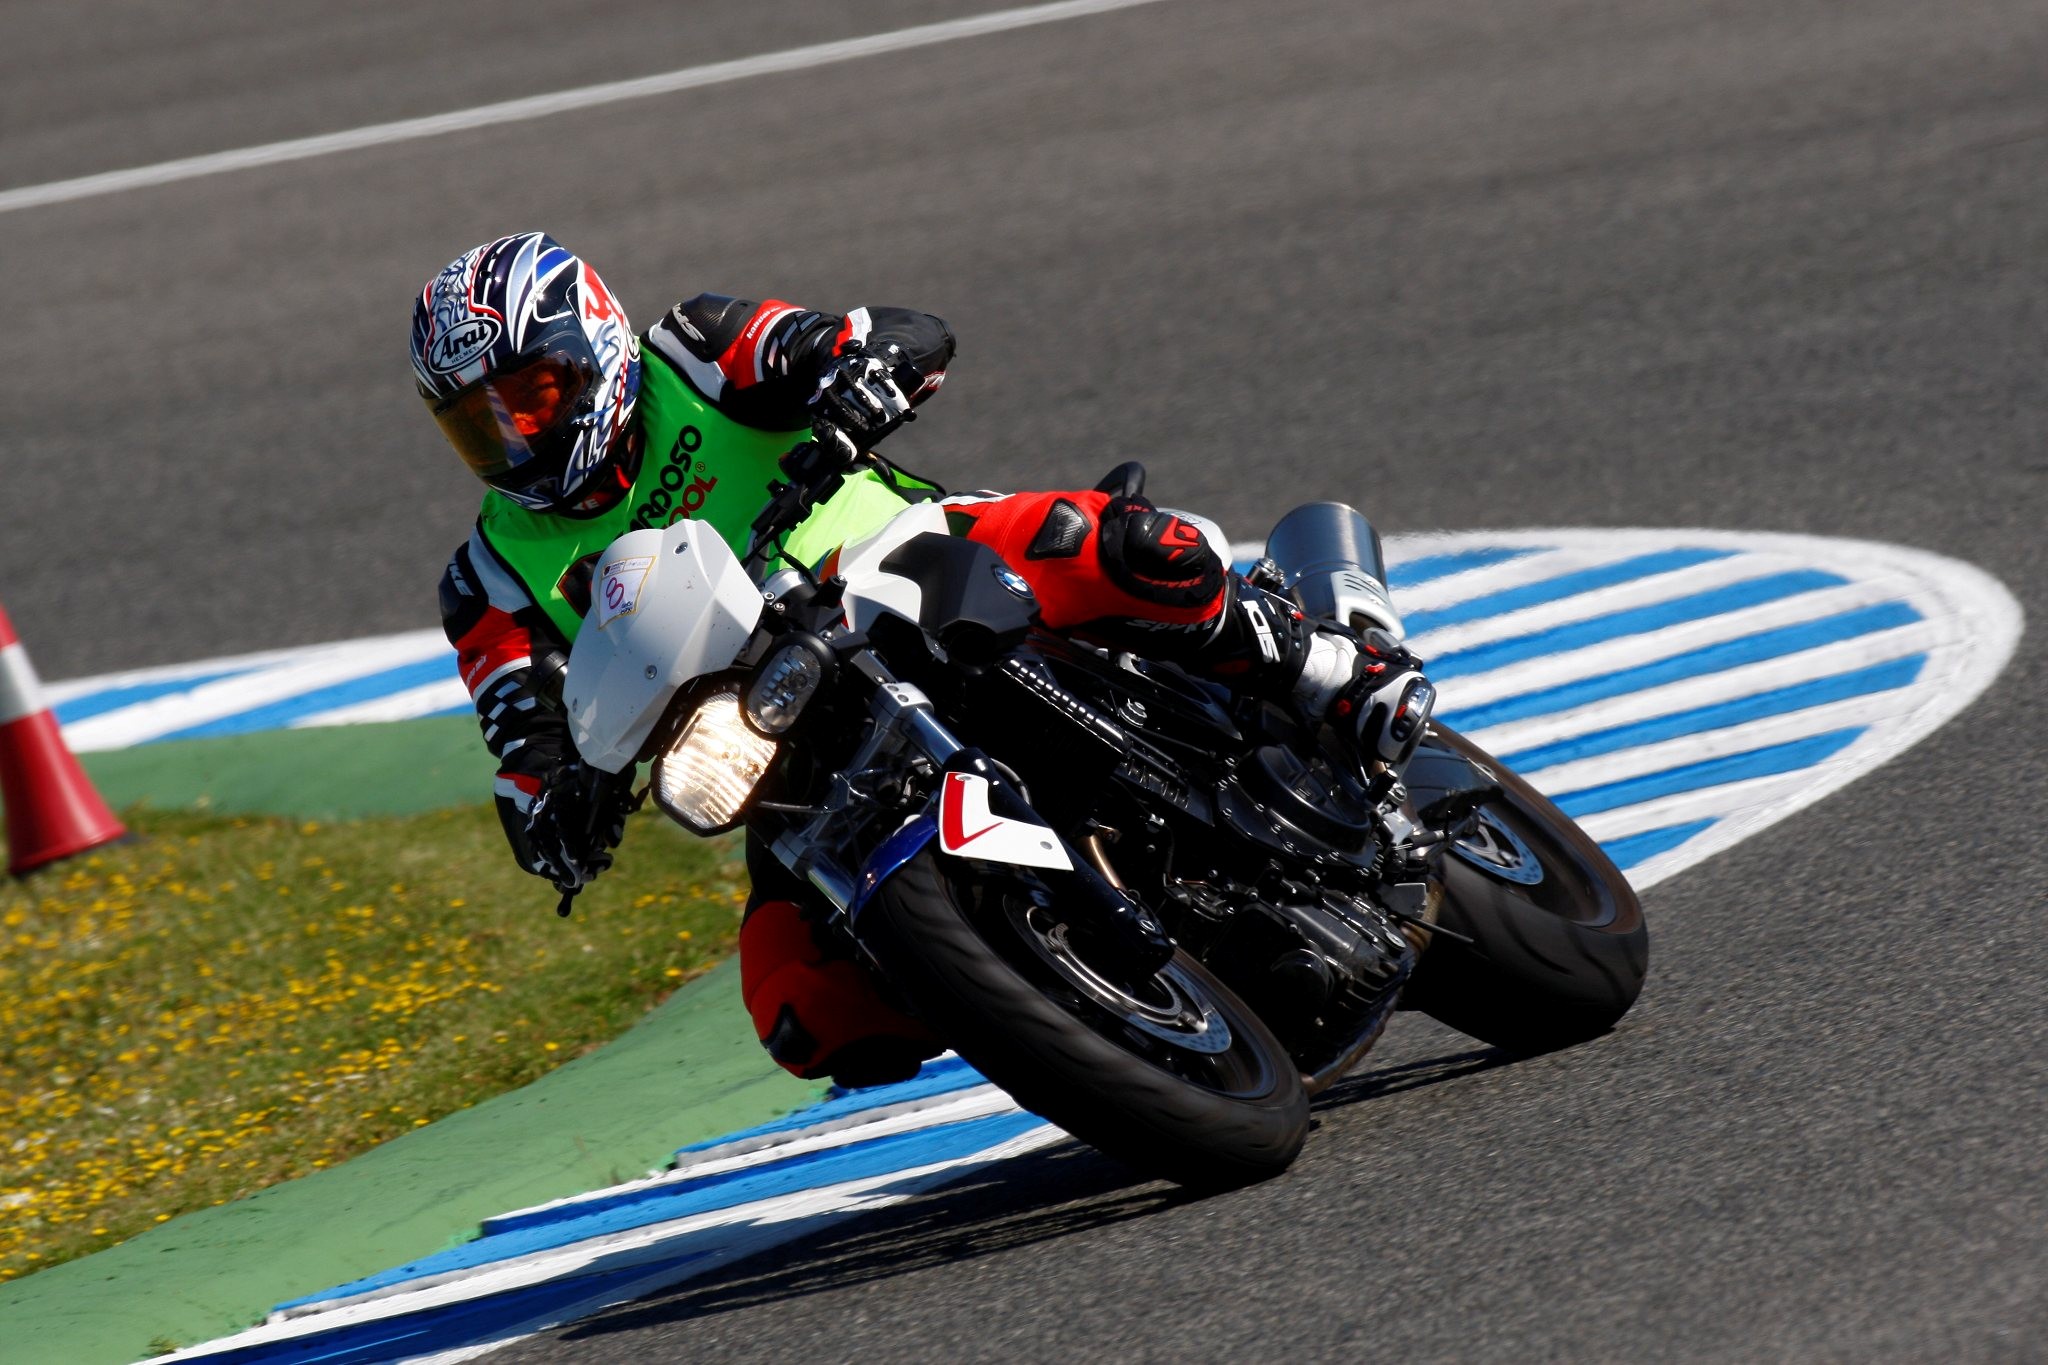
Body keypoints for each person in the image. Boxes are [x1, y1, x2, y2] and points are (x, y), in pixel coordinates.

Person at [418, 232, 1427, 1087]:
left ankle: (1324, 667)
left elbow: (886, 336)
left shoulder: (694, 350)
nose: (515, 437)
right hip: (773, 738)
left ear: (591, 343)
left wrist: (861, 378)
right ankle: (1038, 986)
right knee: (799, 1009)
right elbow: (521, 738)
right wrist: (558, 812)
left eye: (534, 396)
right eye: (480, 424)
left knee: (1118, 546)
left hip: (903, 568)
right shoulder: (490, 576)